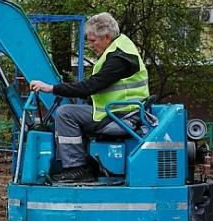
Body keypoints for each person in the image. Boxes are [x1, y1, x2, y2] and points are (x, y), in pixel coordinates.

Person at [30, 12, 149, 183]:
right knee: (73, 112)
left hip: (121, 117)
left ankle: (76, 168)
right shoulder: (120, 50)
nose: (91, 45)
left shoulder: (119, 59)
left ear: (107, 37)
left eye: (93, 41)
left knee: (65, 113)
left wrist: (51, 88)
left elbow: (90, 87)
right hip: (118, 113)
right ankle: (85, 163)